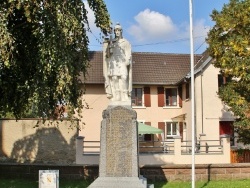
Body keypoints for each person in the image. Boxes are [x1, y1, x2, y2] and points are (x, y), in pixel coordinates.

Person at [103, 23, 132, 102]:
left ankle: (125, 95)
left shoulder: (125, 42)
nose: (117, 32)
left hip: (122, 61)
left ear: (121, 31)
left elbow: (128, 52)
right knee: (114, 78)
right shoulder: (112, 42)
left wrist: (127, 60)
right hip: (114, 62)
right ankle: (117, 95)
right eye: (115, 30)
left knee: (124, 77)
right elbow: (107, 55)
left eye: (118, 30)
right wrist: (109, 47)